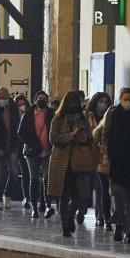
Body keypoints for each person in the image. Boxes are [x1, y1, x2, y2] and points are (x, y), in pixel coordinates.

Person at [47, 91, 97, 238]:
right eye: (71, 102)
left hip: (79, 161)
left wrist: (84, 137)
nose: (74, 105)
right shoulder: (58, 118)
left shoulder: (83, 118)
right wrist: (71, 136)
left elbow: (90, 137)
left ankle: (71, 215)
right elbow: (53, 138)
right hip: (62, 161)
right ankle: (65, 223)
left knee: (78, 195)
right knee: (64, 194)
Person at [103, 87, 130, 243]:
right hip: (117, 163)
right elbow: (106, 134)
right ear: (120, 98)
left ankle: (129, 232)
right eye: (125, 98)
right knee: (119, 199)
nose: (128, 102)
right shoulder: (113, 113)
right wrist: (107, 154)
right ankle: (118, 227)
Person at [20, 91, 54, 218]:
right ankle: (34, 207)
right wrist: (33, 143)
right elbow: (21, 132)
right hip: (32, 151)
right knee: (33, 178)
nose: (42, 100)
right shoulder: (28, 114)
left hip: (47, 150)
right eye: (39, 98)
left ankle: (47, 205)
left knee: (47, 178)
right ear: (35, 100)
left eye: (44, 98)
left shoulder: (51, 113)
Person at [86, 92, 113, 229]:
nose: (103, 104)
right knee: (97, 187)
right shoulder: (88, 116)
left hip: (105, 157)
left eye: (105, 102)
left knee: (102, 188)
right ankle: (99, 214)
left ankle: (103, 215)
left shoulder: (111, 116)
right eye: (100, 101)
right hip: (90, 156)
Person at [0, 86, 22, 209]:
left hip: (13, 144)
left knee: (15, 172)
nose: (3, 99)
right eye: (1, 97)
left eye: (5, 97)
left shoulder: (14, 109)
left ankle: (8, 194)